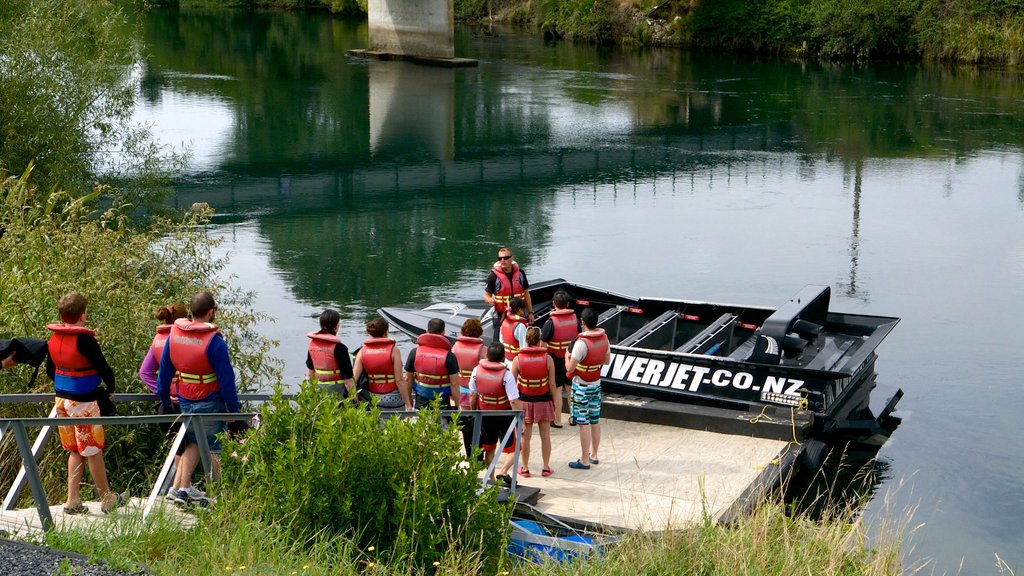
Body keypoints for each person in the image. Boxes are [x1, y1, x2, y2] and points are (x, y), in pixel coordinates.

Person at [157, 291, 240, 506]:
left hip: (185, 400)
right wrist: (234, 409)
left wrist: (164, 400)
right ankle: (217, 497)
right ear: (211, 312)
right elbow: (227, 379)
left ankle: (182, 489)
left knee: (194, 441)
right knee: (214, 447)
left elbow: (165, 370)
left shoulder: (175, 335)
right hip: (210, 401)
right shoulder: (215, 342)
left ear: (192, 311)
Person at [45, 292, 125, 514]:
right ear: (82, 315)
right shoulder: (85, 339)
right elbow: (103, 367)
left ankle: (72, 500)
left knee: (75, 450)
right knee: (93, 449)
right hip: (84, 402)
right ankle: (107, 499)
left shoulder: (54, 338)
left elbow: (50, 371)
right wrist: (111, 388)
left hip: (61, 400)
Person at [137, 303, 190, 501]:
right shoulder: (182, 340)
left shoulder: (158, 340)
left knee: (180, 445)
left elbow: (145, 372)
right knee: (192, 444)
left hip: (166, 405)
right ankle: (182, 489)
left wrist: (164, 393)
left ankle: (175, 488)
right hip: (184, 401)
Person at [469, 343, 522, 483]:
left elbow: (473, 395)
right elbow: (513, 401)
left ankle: (491, 478)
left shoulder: (476, 371)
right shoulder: (507, 375)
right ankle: (503, 471)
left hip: (485, 415)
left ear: (487, 356)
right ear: (503, 357)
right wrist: (520, 415)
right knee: (514, 448)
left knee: (489, 448)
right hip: (505, 416)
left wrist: (474, 413)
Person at [565, 308, 610, 470]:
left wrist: (566, 356)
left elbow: (570, 369)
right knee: (595, 420)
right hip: (596, 385)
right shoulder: (604, 338)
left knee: (583, 423)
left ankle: (584, 459)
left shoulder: (581, 344)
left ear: (582, 322)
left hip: (581, 387)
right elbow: (606, 361)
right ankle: (594, 455)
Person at [510, 327, 557, 478]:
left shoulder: (517, 359)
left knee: (525, 437)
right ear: (539, 340)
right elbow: (552, 385)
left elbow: (511, 384)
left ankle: (524, 468)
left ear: (527, 340)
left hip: (524, 401)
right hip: (543, 400)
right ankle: (545, 467)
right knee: (545, 436)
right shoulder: (548, 359)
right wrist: (555, 403)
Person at [541, 290, 581, 428]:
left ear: (553, 304)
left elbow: (543, 344)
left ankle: (557, 420)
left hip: (556, 360)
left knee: (557, 390)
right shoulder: (575, 320)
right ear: (568, 304)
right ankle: (573, 417)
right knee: (571, 388)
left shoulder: (550, 323)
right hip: (571, 358)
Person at [352, 317, 410, 411]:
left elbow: (353, 379)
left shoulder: (362, 351)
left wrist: (357, 401)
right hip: (394, 399)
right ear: (386, 331)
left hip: (371, 398)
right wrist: (409, 404)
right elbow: (399, 381)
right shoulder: (394, 350)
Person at [404, 318, 459, 409]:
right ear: (443, 332)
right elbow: (454, 383)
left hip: (420, 403)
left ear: (426, 331)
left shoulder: (414, 352)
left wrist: (408, 401)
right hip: (442, 404)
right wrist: (457, 405)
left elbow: (408, 379)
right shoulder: (450, 356)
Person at [484, 247, 533, 342]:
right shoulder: (493, 276)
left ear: (512, 258)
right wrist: (490, 300)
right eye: (500, 258)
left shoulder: (521, 274)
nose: (503, 260)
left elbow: (526, 293)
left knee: (521, 340)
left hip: (520, 314)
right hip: (500, 315)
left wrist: (530, 312)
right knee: (498, 343)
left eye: (506, 257)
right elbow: (486, 295)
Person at [452, 318, 486, 457]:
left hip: (461, 391)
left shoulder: (455, 347)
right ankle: (479, 454)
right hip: (476, 392)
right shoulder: (483, 350)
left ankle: (468, 453)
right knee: (479, 423)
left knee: (466, 423)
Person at [306, 309, 355, 398]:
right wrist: (357, 403)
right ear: (336, 326)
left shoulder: (312, 345)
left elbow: (310, 374)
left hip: (319, 394)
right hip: (338, 394)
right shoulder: (340, 348)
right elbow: (348, 381)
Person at [499, 297, 529, 364]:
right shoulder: (520, 326)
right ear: (520, 309)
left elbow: (501, 341)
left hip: (506, 361)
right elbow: (524, 347)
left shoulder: (504, 322)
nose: (524, 311)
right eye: (524, 309)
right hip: (517, 362)